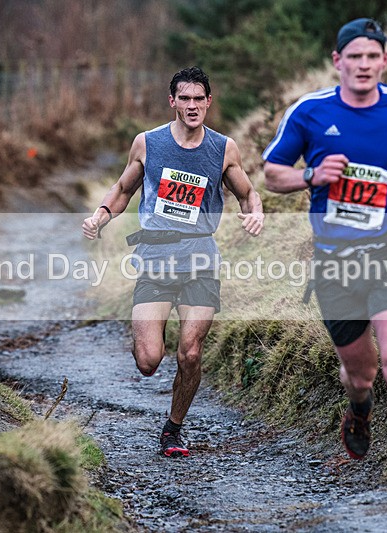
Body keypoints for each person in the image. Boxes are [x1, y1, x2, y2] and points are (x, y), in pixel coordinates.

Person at [262, 18, 387, 526]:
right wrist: (310, 174)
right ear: (338, 61)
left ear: (384, 62)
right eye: (354, 57)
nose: (363, 66)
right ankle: (357, 407)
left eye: (372, 57)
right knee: (363, 372)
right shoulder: (310, 113)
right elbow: (271, 173)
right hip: (336, 266)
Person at [82, 66, 264, 458]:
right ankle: (147, 350)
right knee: (148, 361)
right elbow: (123, 188)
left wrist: (255, 212)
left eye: (200, 98)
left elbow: (249, 193)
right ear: (173, 102)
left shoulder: (223, 148)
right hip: (155, 260)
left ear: (209, 102)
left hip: (200, 259)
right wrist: (100, 216)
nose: (193, 105)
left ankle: (173, 429)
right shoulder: (147, 143)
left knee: (191, 351)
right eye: (185, 98)